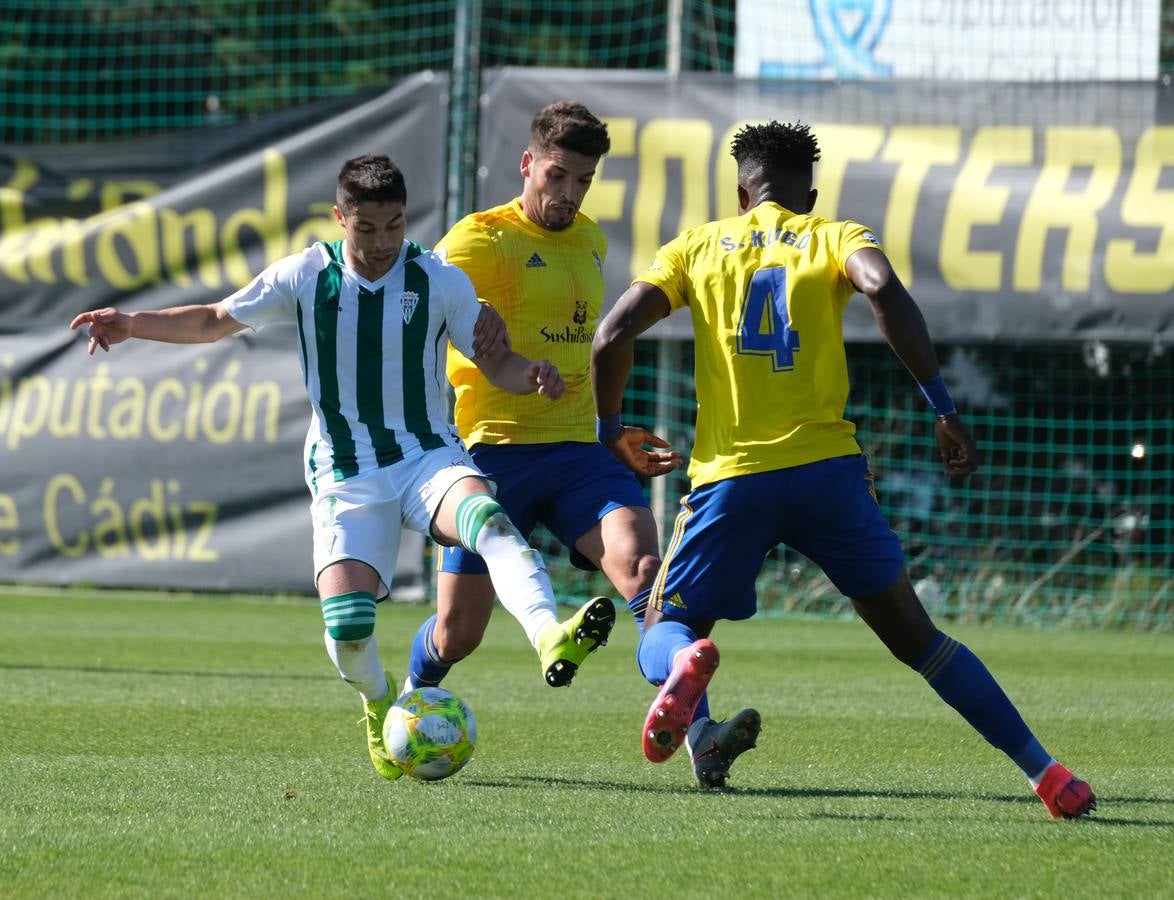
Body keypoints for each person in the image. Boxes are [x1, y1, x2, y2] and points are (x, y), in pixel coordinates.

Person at [591, 120, 1097, 817]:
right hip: (830, 478)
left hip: (731, 481)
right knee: (921, 641)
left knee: (663, 624)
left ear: (743, 192)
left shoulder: (697, 246)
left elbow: (610, 334)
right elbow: (882, 287)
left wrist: (611, 432)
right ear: (812, 192)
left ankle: (682, 668)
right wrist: (942, 407)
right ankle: (1048, 775)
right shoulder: (833, 235)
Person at [69, 153, 615, 782]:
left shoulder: (438, 280)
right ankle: (381, 703)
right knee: (349, 626)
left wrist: (532, 375)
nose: (384, 242)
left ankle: (550, 635)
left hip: (427, 453)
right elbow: (214, 320)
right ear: (340, 219)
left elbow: (496, 364)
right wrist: (131, 323)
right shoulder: (305, 275)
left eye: (396, 225)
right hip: (346, 472)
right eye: (368, 228)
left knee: (487, 520)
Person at [401, 101, 680, 695]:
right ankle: (410, 693)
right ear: (528, 165)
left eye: (584, 180)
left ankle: (697, 724)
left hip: (579, 451)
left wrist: (611, 432)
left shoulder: (591, 241)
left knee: (645, 571)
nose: (570, 192)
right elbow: (412, 303)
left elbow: (591, 347)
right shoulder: (481, 239)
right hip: (492, 455)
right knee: (457, 634)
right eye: (558, 175)